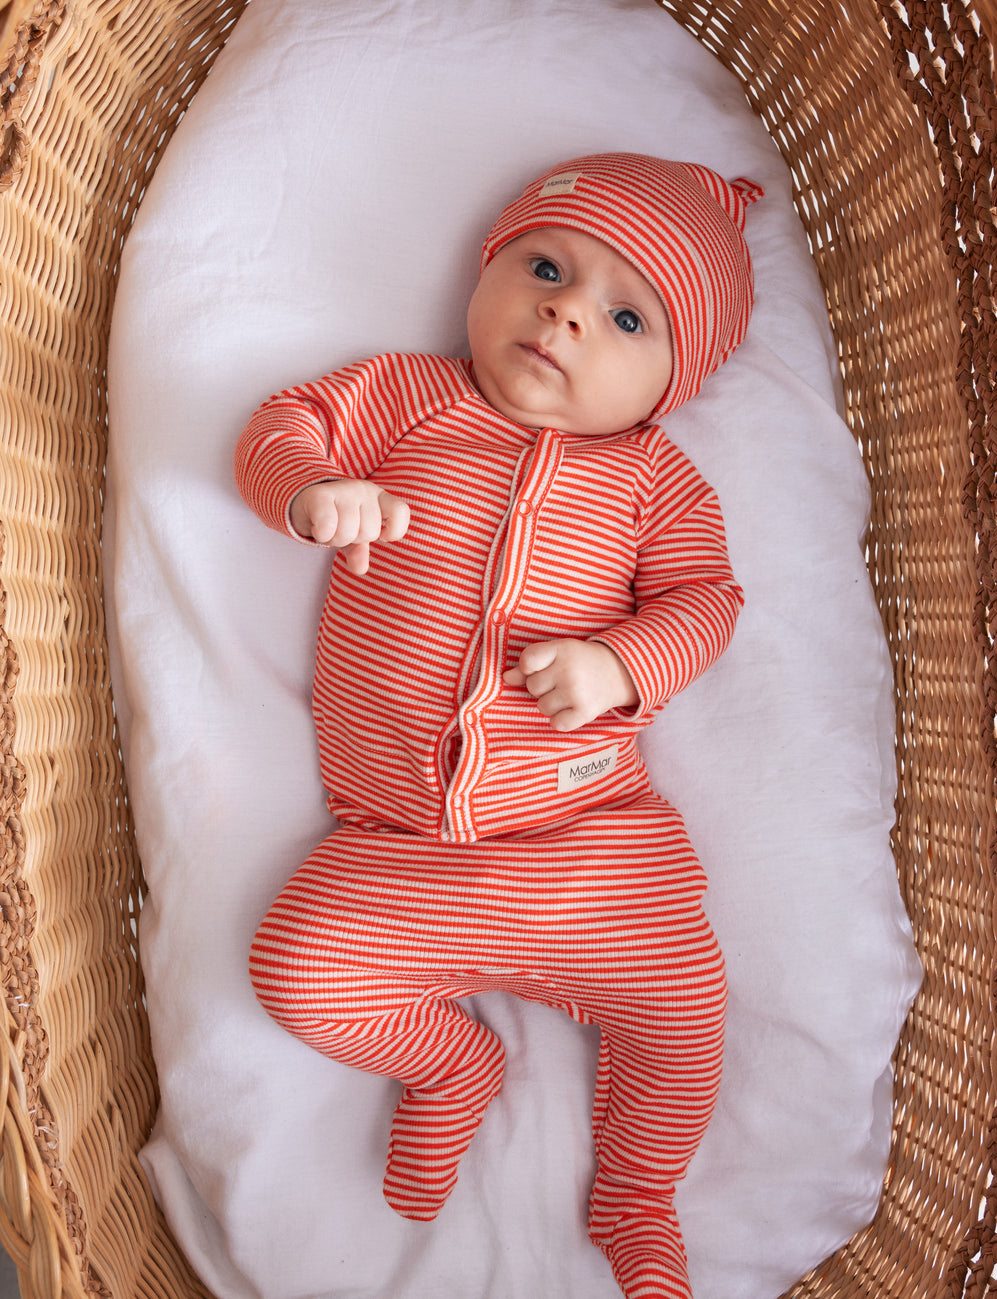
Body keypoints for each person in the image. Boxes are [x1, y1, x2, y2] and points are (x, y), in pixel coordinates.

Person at [235, 152, 761, 1299]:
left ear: (673, 384)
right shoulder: (411, 399)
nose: (566, 310)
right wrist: (314, 490)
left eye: (625, 316)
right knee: (295, 972)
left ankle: (635, 1199)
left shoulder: (654, 482)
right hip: (403, 854)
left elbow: (707, 602)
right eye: (544, 267)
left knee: (682, 1016)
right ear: (488, 271)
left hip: (592, 850)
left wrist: (621, 661)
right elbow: (287, 420)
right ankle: (449, 1067)